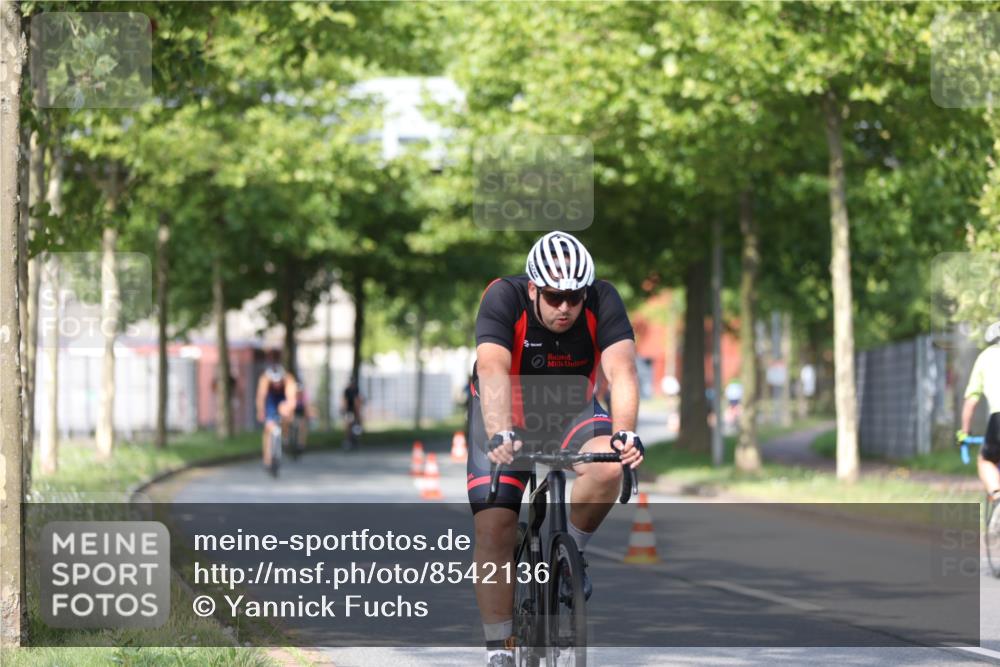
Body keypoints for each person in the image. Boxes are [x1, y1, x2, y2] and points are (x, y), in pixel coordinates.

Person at [467, 231, 644, 667]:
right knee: (495, 524)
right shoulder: (503, 297)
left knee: (607, 468)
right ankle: (499, 650)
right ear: (533, 289)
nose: (565, 307)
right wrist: (498, 432)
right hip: (504, 409)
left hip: (570, 408)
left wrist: (625, 433)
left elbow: (621, 370)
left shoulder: (603, 300)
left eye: (573, 297)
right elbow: (491, 368)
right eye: (553, 296)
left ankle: (571, 558)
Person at [959, 320, 1000, 499]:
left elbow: (971, 401)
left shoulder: (986, 356)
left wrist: (964, 432)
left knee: (986, 460)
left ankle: (997, 497)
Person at [255, 352, 297, 471]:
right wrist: (260, 411)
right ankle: (267, 458)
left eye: (279, 382)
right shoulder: (265, 379)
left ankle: (285, 433)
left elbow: (291, 398)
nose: (277, 384)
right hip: (271, 399)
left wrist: (289, 410)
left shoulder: (288, 378)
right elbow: (261, 397)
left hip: (283, 398)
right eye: (275, 382)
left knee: (285, 413)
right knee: (268, 428)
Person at [342, 379, 363, 450]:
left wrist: (357, 412)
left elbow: (357, 401)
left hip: (354, 410)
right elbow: (345, 401)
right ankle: (349, 440)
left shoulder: (356, 390)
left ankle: (355, 440)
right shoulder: (347, 391)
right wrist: (344, 410)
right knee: (349, 425)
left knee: (356, 425)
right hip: (349, 411)